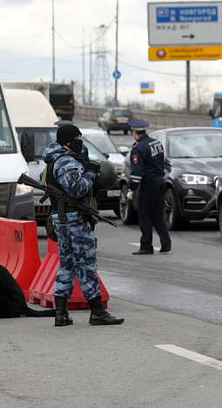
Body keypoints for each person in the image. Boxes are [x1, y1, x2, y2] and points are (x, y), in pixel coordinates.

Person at [43, 124, 124, 327]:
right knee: (86, 264)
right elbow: (77, 189)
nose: (81, 141)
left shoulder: (54, 160)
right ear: (69, 141)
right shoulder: (66, 162)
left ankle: (61, 313)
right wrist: (89, 173)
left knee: (67, 265)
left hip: (62, 218)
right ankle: (97, 312)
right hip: (73, 219)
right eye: (78, 138)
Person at [128, 119, 171, 255]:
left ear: (135, 132)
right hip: (160, 181)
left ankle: (146, 245)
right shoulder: (156, 143)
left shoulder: (138, 148)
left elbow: (137, 172)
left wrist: (132, 188)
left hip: (149, 184)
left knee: (145, 215)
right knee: (158, 215)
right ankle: (166, 243)